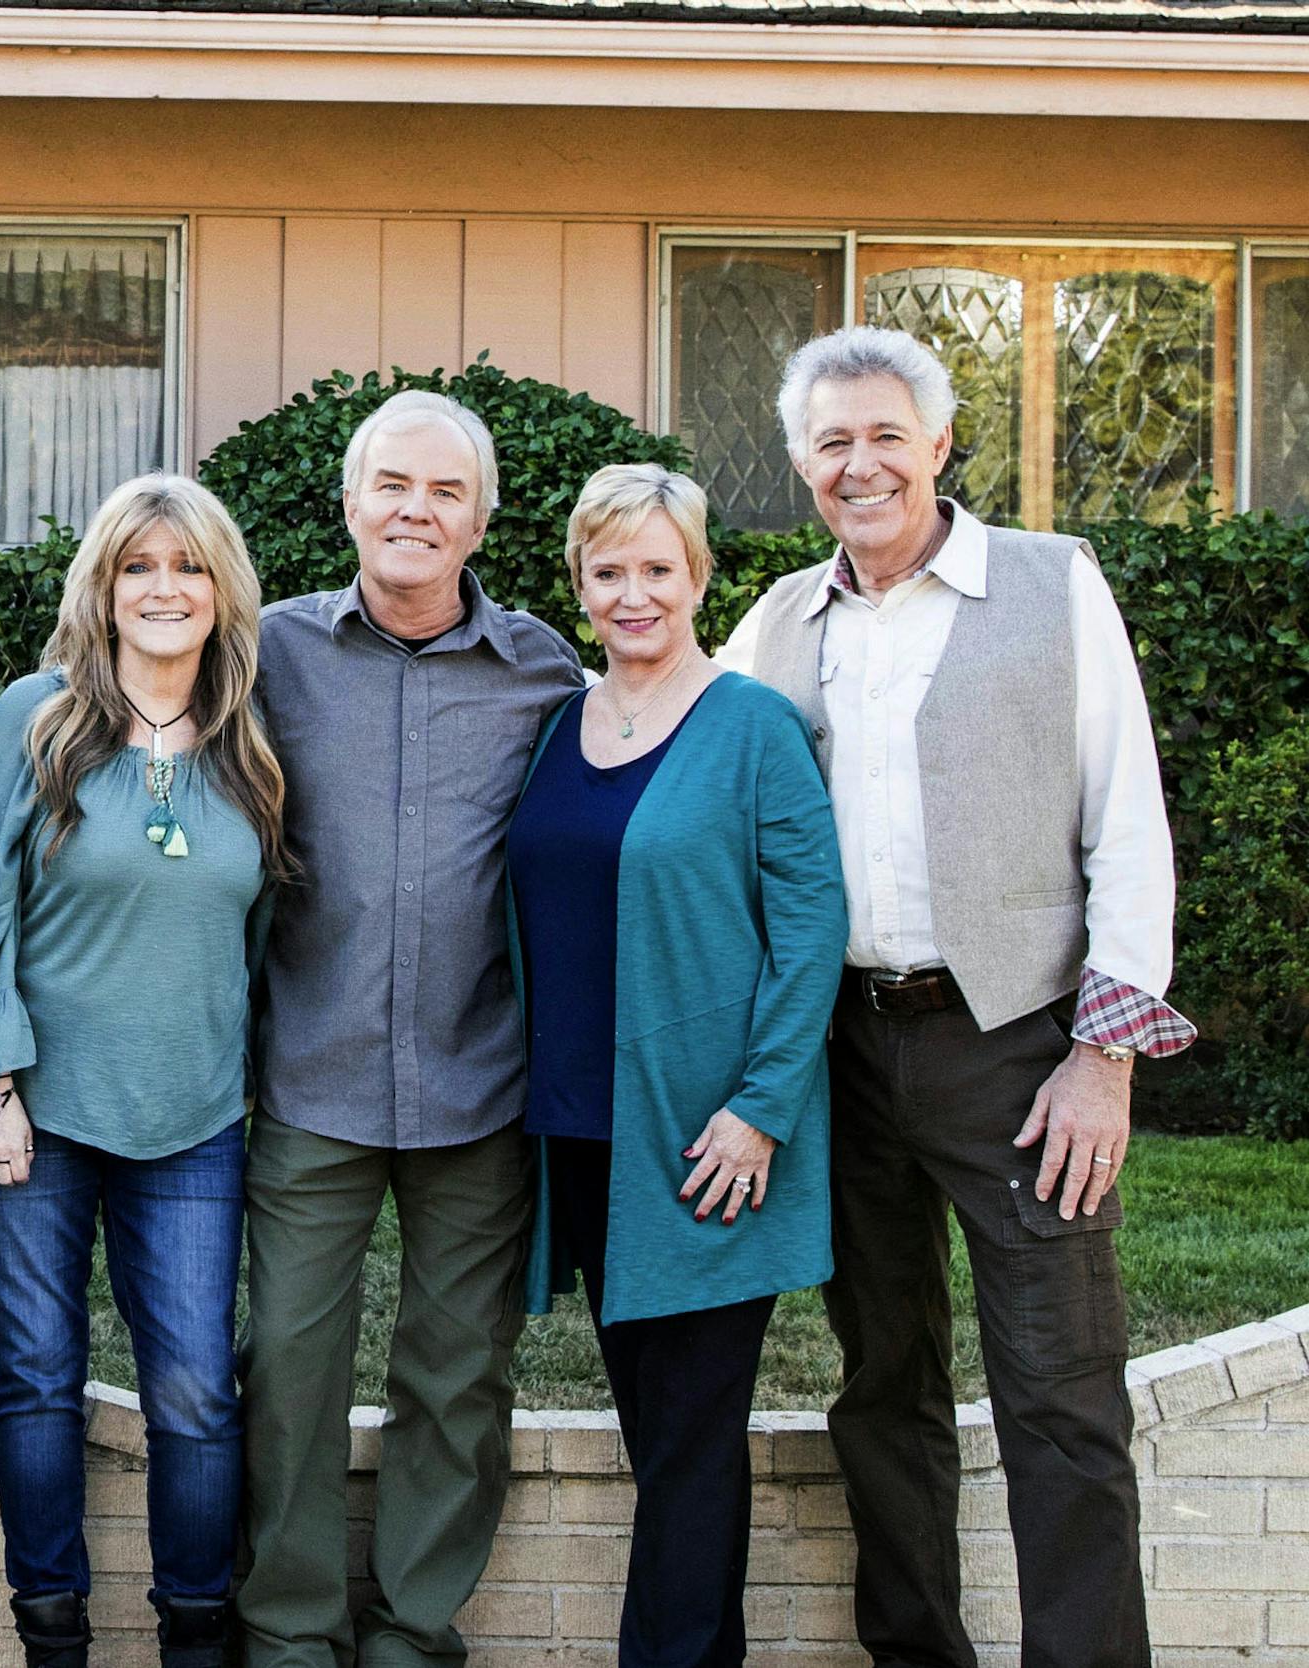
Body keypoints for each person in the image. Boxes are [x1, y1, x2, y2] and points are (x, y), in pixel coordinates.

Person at [720, 325, 1195, 1668]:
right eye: (831, 443)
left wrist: (1105, 1058)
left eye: (885, 435)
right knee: (882, 1388)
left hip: (1019, 1053)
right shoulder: (777, 624)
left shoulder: (1053, 586)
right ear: (802, 463)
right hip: (843, 1058)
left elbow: (1131, 828)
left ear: (938, 443)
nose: (859, 464)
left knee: (1059, 1395)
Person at [0, 475, 288, 1668]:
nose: (166, 589)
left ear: (222, 592)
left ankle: (194, 1637)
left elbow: (254, 940)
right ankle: (50, 1635)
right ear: (103, 589)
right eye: (139, 567)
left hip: (196, 1119)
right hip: (34, 1114)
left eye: (190, 568)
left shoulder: (252, 744)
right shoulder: (38, 717)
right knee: (41, 1381)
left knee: (199, 1398)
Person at [240, 390, 584, 1668]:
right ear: (350, 504)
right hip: (308, 1077)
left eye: (445, 493)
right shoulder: (264, 650)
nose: (415, 512)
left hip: (478, 1079)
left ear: (482, 519)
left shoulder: (549, 671)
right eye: (393, 485)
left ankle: (411, 1631)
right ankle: (285, 1633)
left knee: (456, 1379)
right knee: (286, 1373)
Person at [510, 463, 846, 1667]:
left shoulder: (751, 726)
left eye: (660, 568)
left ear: (701, 576)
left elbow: (811, 932)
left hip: (709, 1144)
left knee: (694, 1438)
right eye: (610, 571)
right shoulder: (561, 722)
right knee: (662, 1436)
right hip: (587, 1135)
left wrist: (761, 1109)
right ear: (581, 585)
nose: (634, 592)